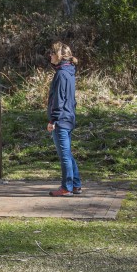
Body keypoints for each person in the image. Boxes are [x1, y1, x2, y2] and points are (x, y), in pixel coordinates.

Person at [46, 41, 82, 197]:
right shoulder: (69, 71)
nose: (50, 55)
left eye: (52, 53)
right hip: (69, 117)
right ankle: (75, 185)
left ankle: (66, 187)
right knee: (67, 153)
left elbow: (58, 100)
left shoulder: (61, 74)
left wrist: (53, 120)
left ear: (59, 56)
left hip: (61, 119)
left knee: (64, 156)